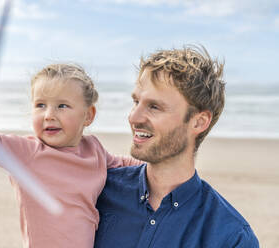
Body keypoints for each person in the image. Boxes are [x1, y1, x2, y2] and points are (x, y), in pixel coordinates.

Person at [0, 64, 142, 248]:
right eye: (40, 105)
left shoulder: (95, 151)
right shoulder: (27, 152)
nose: (49, 115)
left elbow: (134, 166)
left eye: (62, 106)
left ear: (88, 115)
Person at [94, 45, 259, 247]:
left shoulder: (231, 237)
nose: (133, 117)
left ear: (198, 122)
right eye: (136, 101)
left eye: (154, 107)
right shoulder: (96, 190)